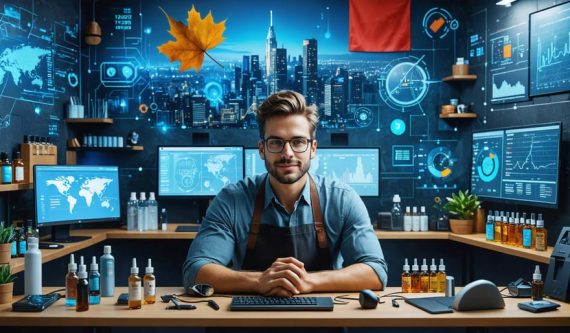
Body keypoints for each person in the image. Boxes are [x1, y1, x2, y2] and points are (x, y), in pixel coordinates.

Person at [183, 90, 387, 297]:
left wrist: (310, 281)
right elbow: (195, 271)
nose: (287, 153)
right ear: (262, 149)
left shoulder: (342, 199)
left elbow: (376, 271)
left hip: (323, 323)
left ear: (313, 148)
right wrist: (259, 281)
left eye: (298, 142)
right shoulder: (231, 200)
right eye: (276, 142)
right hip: (247, 323)